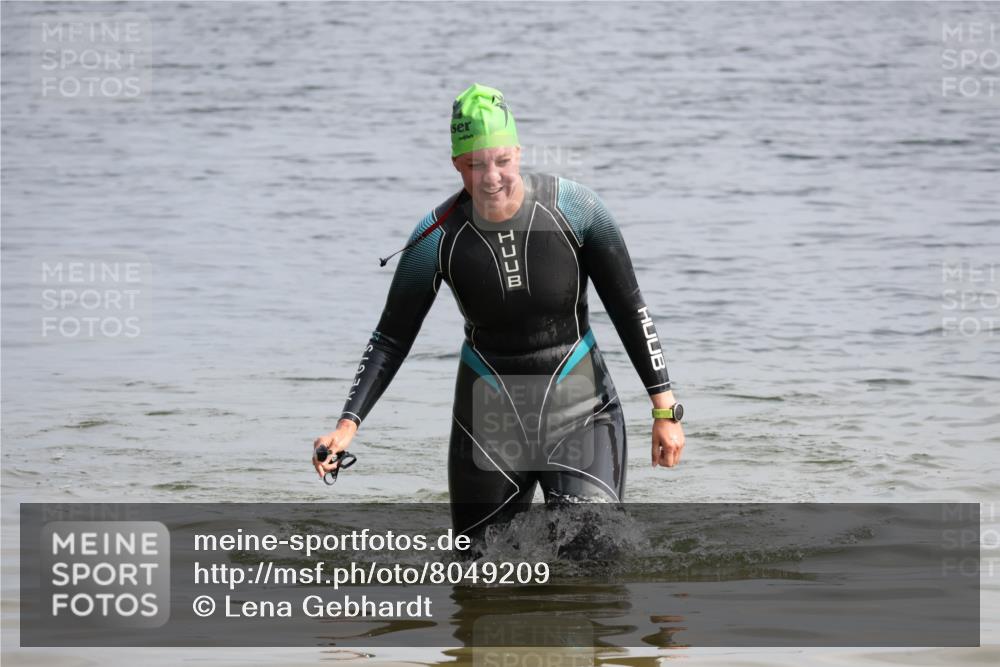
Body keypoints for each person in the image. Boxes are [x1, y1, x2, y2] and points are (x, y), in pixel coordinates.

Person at [314, 83, 685, 540]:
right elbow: (391, 338)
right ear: (456, 165)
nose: (491, 177)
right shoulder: (434, 239)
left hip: (580, 407)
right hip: (489, 418)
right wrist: (346, 426)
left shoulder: (578, 211)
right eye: (475, 164)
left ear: (518, 153)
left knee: (594, 559)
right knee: (479, 577)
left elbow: (631, 309)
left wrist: (665, 412)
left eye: (502, 161)